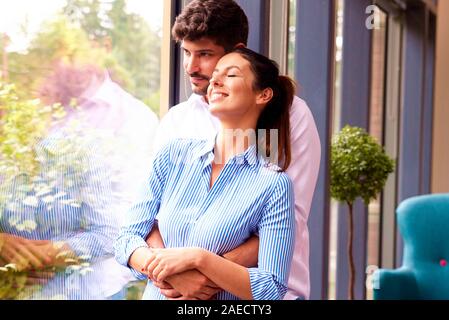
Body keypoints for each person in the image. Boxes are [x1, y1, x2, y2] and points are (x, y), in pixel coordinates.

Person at [146, 0, 321, 300]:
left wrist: (204, 276)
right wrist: (172, 274)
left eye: (204, 54)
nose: (191, 67)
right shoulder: (177, 122)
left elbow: (288, 218)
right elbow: (148, 218)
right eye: (186, 53)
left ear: (237, 51)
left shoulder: (291, 116)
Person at [115, 47, 297, 300]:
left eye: (231, 75)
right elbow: (126, 238)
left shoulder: (274, 185)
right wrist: (170, 274)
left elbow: (271, 288)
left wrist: (199, 259)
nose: (215, 81)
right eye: (215, 76)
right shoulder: (173, 155)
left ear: (263, 94)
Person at [0, 62, 158, 299]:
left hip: (80, 291)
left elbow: (109, 233)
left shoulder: (77, 152)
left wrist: (47, 255)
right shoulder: (7, 152)